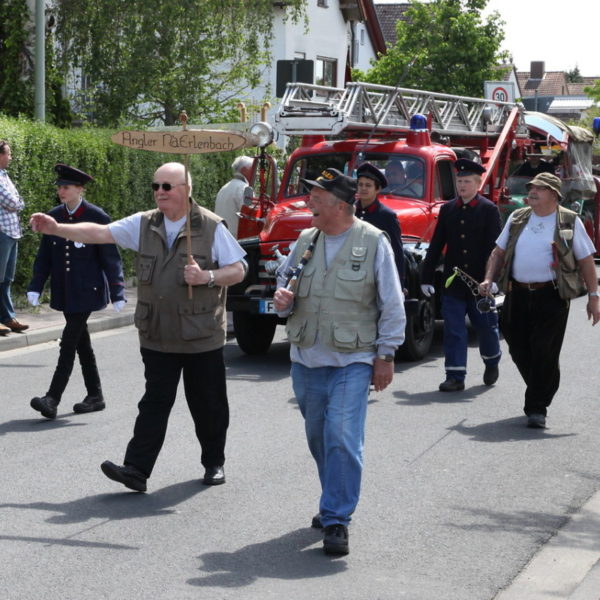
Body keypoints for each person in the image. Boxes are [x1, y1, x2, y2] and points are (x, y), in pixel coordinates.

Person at [30, 162, 246, 492]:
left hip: (200, 335)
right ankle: (136, 469)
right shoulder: (144, 223)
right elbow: (99, 233)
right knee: (154, 403)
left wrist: (208, 277)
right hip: (157, 333)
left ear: (185, 190)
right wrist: (56, 228)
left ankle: (213, 461)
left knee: (208, 404)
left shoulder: (213, 227)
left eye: (167, 186)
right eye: (155, 186)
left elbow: (238, 269)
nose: (159, 192)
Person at [273, 167, 405, 556]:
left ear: (340, 204)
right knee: (319, 437)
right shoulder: (305, 239)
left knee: (342, 437)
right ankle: (334, 495)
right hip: (306, 357)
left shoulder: (373, 241)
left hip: (354, 359)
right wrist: (283, 300)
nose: (310, 200)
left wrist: (386, 355)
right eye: (311, 193)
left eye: (318, 194)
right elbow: (286, 287)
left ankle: (336, 519)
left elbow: (392, 303)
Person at [480, 172, 599, 429]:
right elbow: (498, 252)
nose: (532, 192)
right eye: (531, 187)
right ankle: (544, 384)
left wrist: (594, 296)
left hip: (552, 295)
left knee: (544, 349)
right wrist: (488, 279)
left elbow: (586, 260)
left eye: (540, 189)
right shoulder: (517, 217)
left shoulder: (569, 221)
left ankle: (536, 407)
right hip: (516, 293)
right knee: (518, 347)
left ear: (554, 194)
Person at [28, 164, 126, 419]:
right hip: (66, 291)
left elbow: (110, 257)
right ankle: (96, 395)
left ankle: (52, 397)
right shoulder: (53, 216)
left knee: (68, 342)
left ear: (80, 189)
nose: (61, 191)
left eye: (66, 187)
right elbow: (45, 257)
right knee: (82, 343)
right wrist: (35, 286)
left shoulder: (96, 216)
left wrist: (117, 289)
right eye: (60, 187)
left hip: (87, 290)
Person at [420, 158, 502, 392]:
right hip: (454, 282)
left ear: (478, 184)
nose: (462, 185)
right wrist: (426, 277)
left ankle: (492, 360)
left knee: (486, 327)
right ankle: (455, 376)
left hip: (480, 283)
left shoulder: (488, 210)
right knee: (454, 329)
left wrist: (493, 279)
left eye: (467, 181)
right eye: (459, 181)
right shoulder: (448, 209)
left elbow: (496, 249)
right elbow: (437, 244)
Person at [355, 162, 404, 283]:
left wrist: (399, 283)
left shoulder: (387, 216)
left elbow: (396, 251)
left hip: (377, 276)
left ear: (378, 189)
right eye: (360, 185)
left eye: (368, 185)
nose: (363, 188)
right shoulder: (349, 211)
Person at [0, 140, 28, 335]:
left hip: (11, 232)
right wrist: (17, 203)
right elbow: (11, 201)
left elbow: (18, 202)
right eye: (8, 153)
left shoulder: (4, 176)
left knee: (6, 279)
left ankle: (7, 317)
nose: (10, 157)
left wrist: (16, 203)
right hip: (2, 232)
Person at [214, 155, 253, 238]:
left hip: (220, 236)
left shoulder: (224, 188)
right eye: (252, 169)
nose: (255, 173)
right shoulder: (244, 188)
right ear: (244, 170)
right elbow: (248, 217)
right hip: (235, 240)